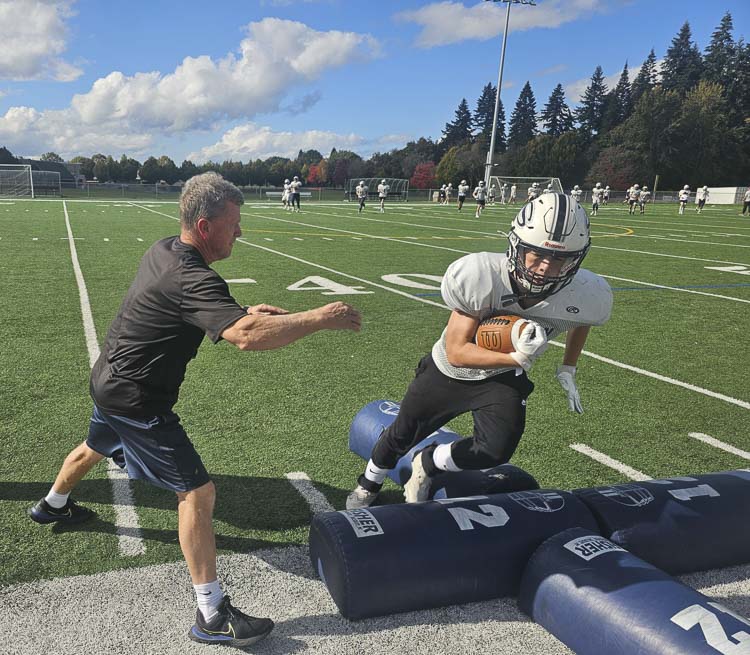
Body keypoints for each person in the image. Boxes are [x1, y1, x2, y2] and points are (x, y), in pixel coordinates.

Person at [28, 173, 362, 648]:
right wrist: (318, 318)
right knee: (198, 495)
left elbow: (197, 309)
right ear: (205, 227)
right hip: (138, 399)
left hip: (109, 380)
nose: (240, 233)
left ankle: (51, 506)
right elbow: (245, 337)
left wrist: (241, 309)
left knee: (96, 445)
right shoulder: (192, 275)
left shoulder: (166, 249)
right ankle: (211, 613)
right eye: (234, 224)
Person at [346, 193, 612, 510]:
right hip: (450, 371)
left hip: (502, 377)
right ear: (516, 245)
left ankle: (429, 462)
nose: (544, 268)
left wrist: (569, 367)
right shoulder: (482, 276)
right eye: (536, 255)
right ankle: (368, 485)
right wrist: (516, 358)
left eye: (559, 260)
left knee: (495, 450)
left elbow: (580, 319)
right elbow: (457, 351)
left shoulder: (586, 294)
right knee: (401, 434)